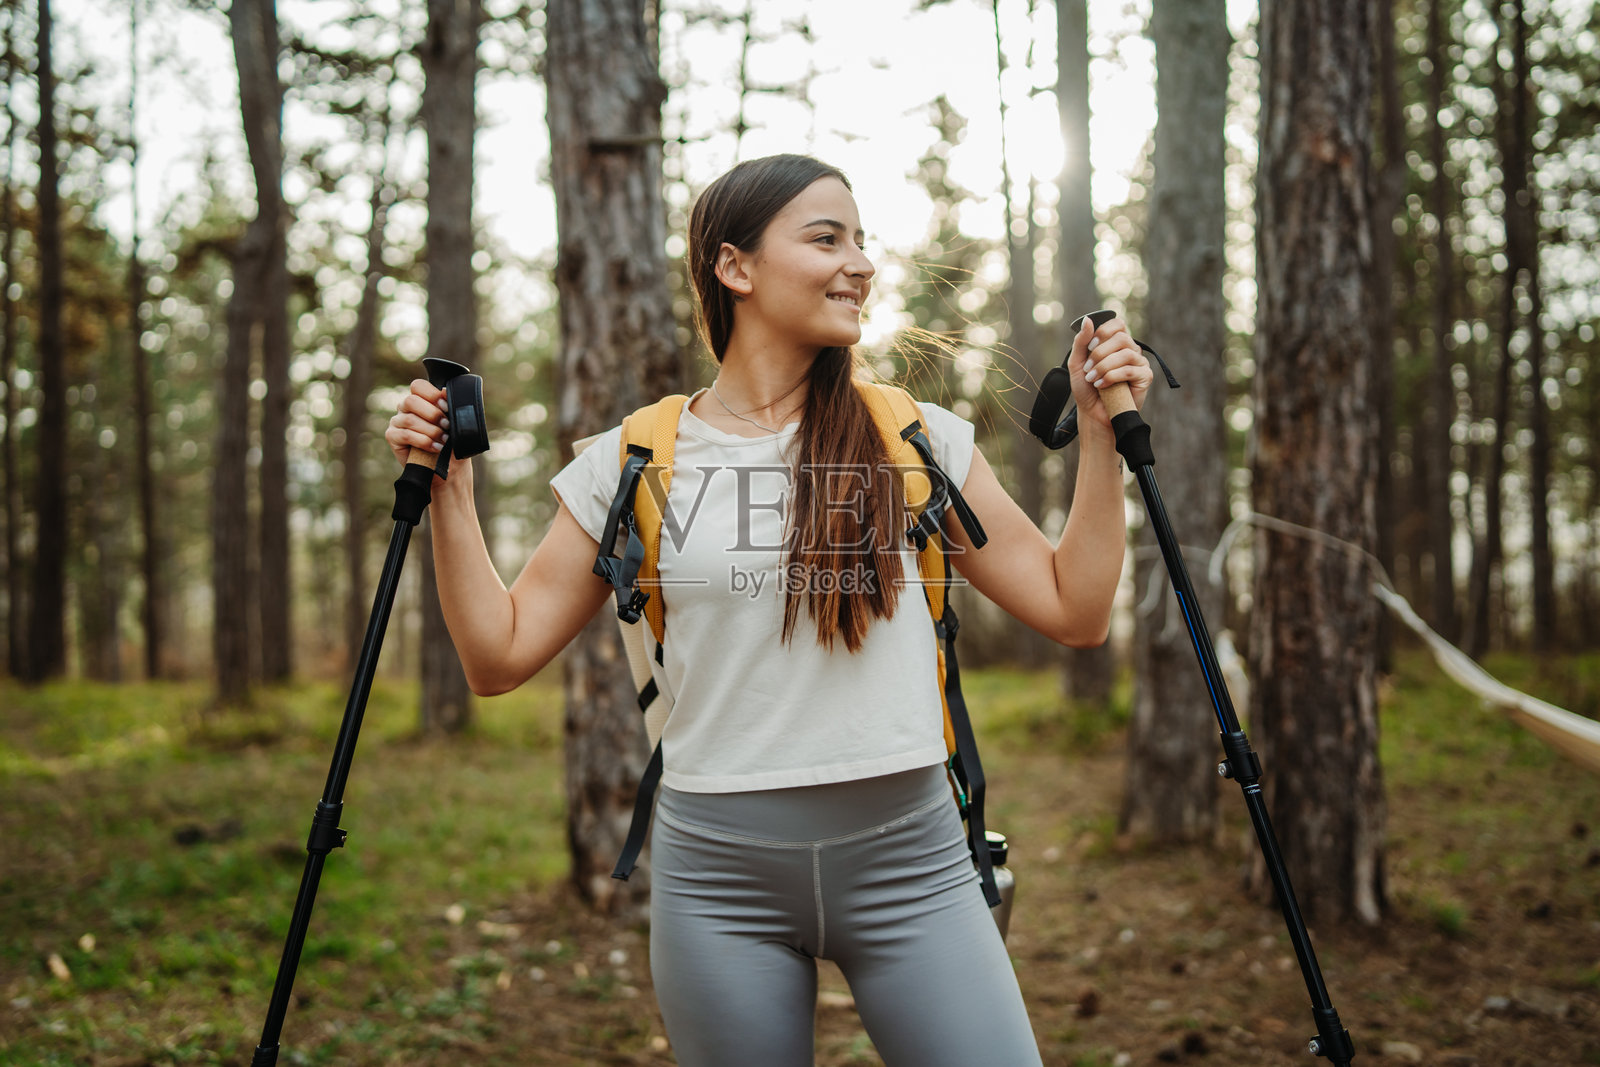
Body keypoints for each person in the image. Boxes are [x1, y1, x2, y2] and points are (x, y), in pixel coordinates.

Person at [385, 153, 1153, 1066]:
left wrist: (1102, 441)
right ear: (734, 266)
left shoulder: (915, 437)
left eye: (862, 240)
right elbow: (496, 656)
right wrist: (451, 493)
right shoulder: (632, 457)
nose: (859, 263)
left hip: (912, 863)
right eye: (826, 238)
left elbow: (1075, 608)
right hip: (719, 880)